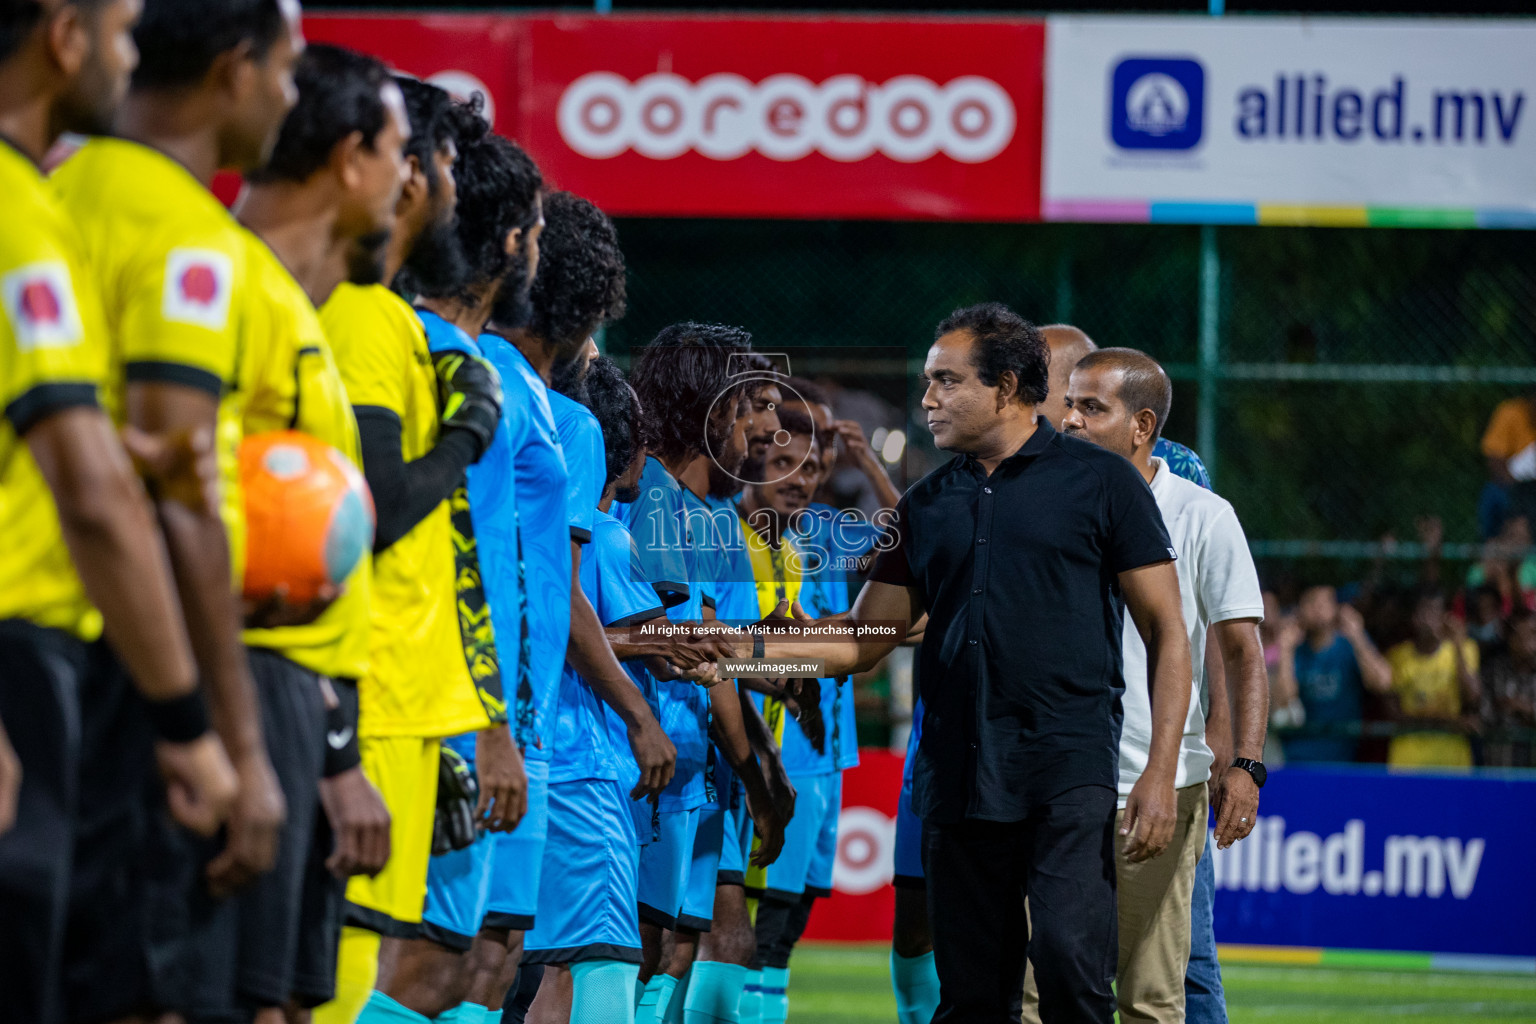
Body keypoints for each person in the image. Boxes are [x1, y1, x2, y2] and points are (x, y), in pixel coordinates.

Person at [726, 302, 1193, 1023]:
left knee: (1072, 971)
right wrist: (735, 653)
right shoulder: (923, 504)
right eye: (927, 381)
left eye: (945, 381)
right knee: (973, 997)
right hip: (958, 779)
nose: (926, 400)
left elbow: (1168, 631)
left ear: (1006, 388)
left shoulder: (1103, 484)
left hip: (1068, 776)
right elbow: (862, 640)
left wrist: (1159, 773)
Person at [1, 2, 242, 1022]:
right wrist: (188, 723)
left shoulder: (42, 198)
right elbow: (90, 499)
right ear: (65, 36)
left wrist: (117, 446)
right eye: (121, 30)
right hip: (26, 651)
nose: (131, 56)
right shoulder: (20, 213)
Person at [318, 90, 519, 1024]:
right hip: (376, 700)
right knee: (348, 981)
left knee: (376, 975)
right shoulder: (363, 316)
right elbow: (379, 510)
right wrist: (470, 429)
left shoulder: (392, 322)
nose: (450, 191)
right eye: (438, 167)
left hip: (415, 704)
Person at [1016, 348, 1267, 1024]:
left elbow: (1243, 651)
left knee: (1153, 998)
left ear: (1142, 424)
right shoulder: (1035, 501)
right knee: (1036, 996)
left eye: (1090, 407)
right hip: (1051, 785)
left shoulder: (1203, 516)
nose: (1067, 420)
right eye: (1068, 402)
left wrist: (1244, 762)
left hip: (1158, 787)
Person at [621, 324, 791, 1024]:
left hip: (692, 773)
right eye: (757, 402)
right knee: (626, 952)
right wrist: (761, 779)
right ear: (710, 405)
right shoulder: (647, 493)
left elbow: (725, 661)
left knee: (670, 952)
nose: (775, 427)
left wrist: (759, 771)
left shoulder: (717, 518)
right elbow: (693, 655)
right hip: (636, 770)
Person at [523, 355, 667, 1024]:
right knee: (606, 959)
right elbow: (648, 642)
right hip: (581, 758)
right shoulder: (610, 536)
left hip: (513, 741)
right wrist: (640, 716)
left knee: (525, 963)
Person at [738, 406, 859, 1024]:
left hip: (810, 753)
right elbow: (712, 652)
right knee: (724, 935)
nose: (802, 478)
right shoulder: (723, 538)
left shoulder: (801, 543)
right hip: (752, 760)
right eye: (785, 462)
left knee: (780, 928)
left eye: (813, 467)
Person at [1276, 586, 1392, 763]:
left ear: (1336, 608)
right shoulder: (1295, 651)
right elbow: (1284, 702)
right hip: (1297, 757)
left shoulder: (1349, 645)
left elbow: (1383, 683)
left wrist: (1358, 635)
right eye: (1311, 602)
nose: (1318, 608)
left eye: (1324, 602)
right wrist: (1284, 650)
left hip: (1342, 758)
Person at [1384, 589, 1480, 768]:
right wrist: (1451, 722)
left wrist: (1457, 646)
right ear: (1413, 617)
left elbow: (1473, 697)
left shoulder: (1466, 648)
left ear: (1446, 617)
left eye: (1435, 612)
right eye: (1424, 612)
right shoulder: (1396, 656)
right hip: (1408, 760)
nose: (1429, 619)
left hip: (1453, 759)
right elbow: (1394, 715)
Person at [1482, 608, 1536, 767]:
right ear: (1511, 638)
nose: (1532, 642)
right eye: (1526, 635)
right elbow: (1485, 718)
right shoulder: (1493, 671)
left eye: (1534, 634)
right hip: (1500, 767)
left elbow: (1508, 708)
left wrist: (1523, 708)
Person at [1479, 390, 1536, 538]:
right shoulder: (1511, 412)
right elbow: (1495, 460)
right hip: (1514, 485)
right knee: (1495, 493)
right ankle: (1491, 547)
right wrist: (1519, 489)